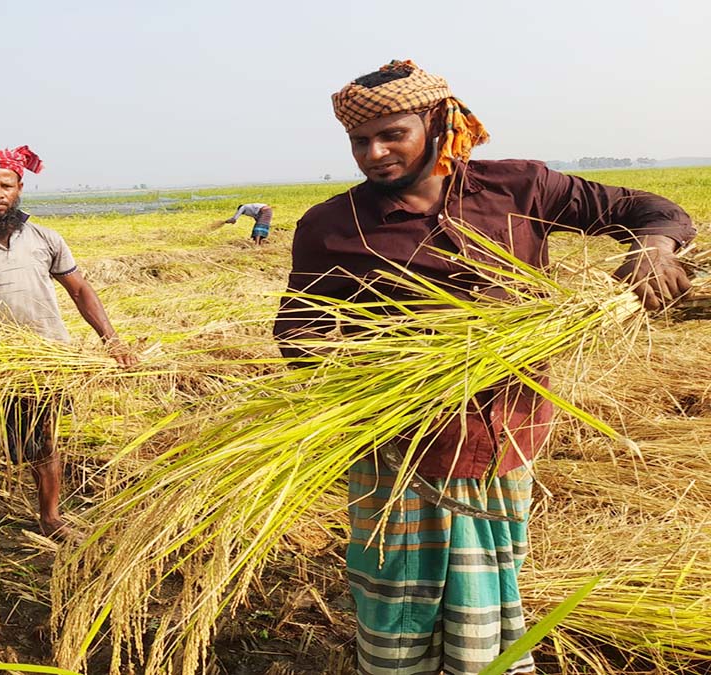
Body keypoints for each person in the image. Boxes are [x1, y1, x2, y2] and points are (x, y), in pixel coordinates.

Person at [273, 60, 694, 675]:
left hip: (506, 433)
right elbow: (299, 333)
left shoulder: (520, 188)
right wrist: (399, 363)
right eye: (360, 141)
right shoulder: (332, 227)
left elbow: (652, 210)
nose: (374, 153)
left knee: (492, 585)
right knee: (397, 597)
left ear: (439, 124)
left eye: (393, 134)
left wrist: (654, 250)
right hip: (400, 448)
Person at [0, 145, 137, 578]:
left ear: (21, 187)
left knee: (45, 441)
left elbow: (80, 291)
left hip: (45, 360)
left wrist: (112, 341)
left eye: (6, 185)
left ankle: (50, 516)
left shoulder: (46, 239)